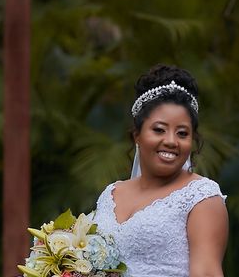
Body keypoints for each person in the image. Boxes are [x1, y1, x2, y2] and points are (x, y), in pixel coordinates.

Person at [92, 64, 228, 277]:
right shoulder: (111, 194)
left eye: (182, 133)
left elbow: (207, 272)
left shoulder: (202, 197)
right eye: (159, 130)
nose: (171, 141)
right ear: (137, 135)